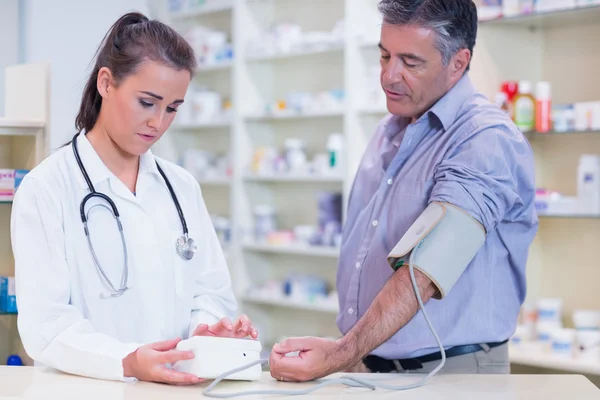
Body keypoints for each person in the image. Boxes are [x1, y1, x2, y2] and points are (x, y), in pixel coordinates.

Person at [269, 0, 537, 382]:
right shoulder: (391, 128)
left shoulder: (484, 139)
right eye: (384, 56)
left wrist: (341, 353)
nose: (389, 76)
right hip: (371, 364)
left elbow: (425, 269)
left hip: (449, 374)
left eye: (410, 63)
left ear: (458, 63)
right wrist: (352, 353)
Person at [11, 12, 257, 385]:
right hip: (86, 390)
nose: (158, 122)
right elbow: (45, 327)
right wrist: (125, 360)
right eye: (147, 102)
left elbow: (210, 293)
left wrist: (209, 330)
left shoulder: (181, 187)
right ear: (106, 83)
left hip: (173, 390)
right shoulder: (47, 188)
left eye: (172, 108)